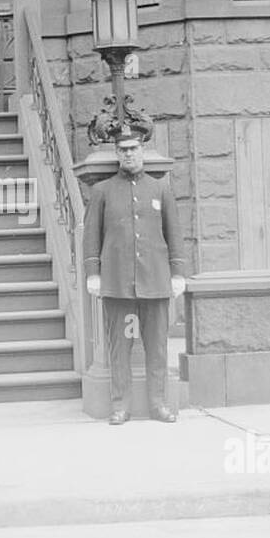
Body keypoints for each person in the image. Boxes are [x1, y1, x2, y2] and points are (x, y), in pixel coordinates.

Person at [82, 131, 187, 425]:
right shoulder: (102, 191)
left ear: (142, 151)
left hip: (155, 281)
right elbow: (91, 236)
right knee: (120, 348)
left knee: (157, 348)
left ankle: (158, 404)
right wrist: (94, 273)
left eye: (133, 148)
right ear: (117, 154)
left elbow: (174, 234)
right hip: (117, 284)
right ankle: (120, 406)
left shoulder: (160, 190)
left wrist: (177, 272)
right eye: (123, 150)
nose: (129, 154)